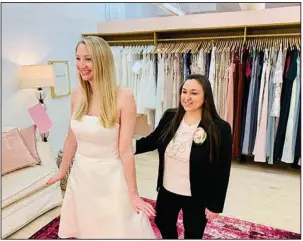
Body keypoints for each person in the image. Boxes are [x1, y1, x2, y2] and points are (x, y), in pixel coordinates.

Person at [45, 36, 156, 239]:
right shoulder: (77, 94)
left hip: (110, 177)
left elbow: (125, 150)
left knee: (115, 229)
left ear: (102, 60)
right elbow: (72, 138)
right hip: (81, 175)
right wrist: (62, 172)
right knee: (87, 227)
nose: (81, 65)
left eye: (88, 59)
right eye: (77, 59)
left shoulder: (124, 97)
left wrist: (133, 193)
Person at [135, 74, 232, 239]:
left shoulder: (219, 128)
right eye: (184, 92)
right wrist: (124, 147)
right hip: (168, 189)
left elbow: (222, 169)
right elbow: (152, 141)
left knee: (193, 233)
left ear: (206, 97)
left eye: (194, 93)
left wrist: (216, 204)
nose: (187, 97)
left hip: (197, 195)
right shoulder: (170, 117)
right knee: (163, 222)